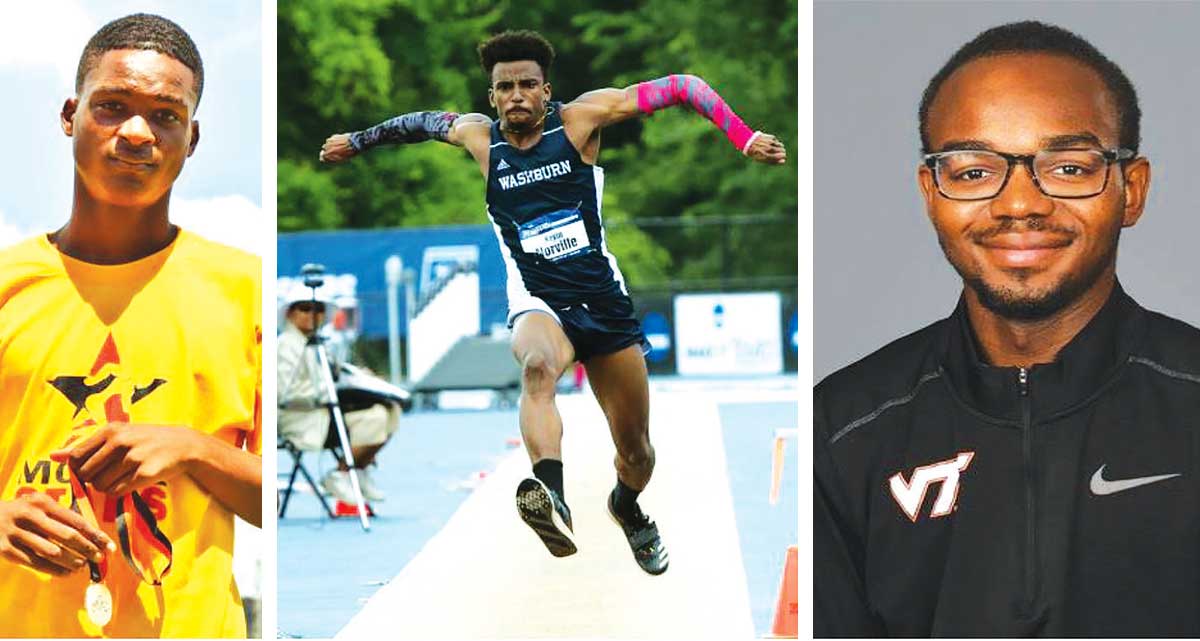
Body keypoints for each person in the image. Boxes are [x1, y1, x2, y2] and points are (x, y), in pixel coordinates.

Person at [320, 29, 785, 575]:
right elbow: (420, 123)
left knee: (637, 452)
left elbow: (684, 85)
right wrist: (358, 139)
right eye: (504, 87)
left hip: (604, 304)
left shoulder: (581, 121)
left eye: (527, 85)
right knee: (537, 368)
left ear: (546, 90)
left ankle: (627, 506)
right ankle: (552, 495)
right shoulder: (478, 138)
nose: (516, 95)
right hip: (540, 300)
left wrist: (743, 135)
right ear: (491, 97)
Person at [814, 21, 1200, 636]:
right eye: (973, 172)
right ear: (931, 194)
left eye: (1069, 167)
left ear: (1132, 190)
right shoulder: (840, 430)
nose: (1020, 203)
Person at [0, 14, 261, 637]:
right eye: (112, 106)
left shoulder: (242, 288)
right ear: (71, 115)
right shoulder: (9, 284)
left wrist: (193, 448)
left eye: (166, 115)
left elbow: (277, 499)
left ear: (191, 138)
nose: (138, 133)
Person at [277, 287, 401, 504]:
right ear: (290, 313)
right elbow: (287, 394)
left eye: (318, 309)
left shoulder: (318, 343)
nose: (312, 314)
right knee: (376, 418)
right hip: (304, 419)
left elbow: (334, 372)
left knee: (392, 410)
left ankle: (359, 469)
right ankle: (342, 474)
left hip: (325, 412)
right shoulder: (284, 346)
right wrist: (332, 391)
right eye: (304, 308)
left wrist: (358, 379)